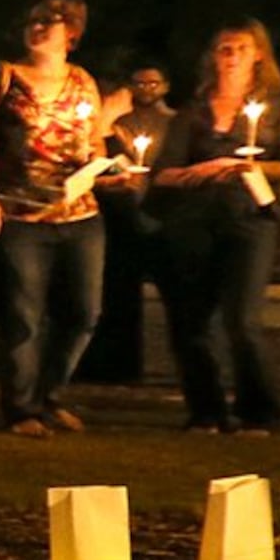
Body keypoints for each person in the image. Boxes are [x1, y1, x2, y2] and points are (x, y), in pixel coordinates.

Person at [0, 0, 119, 435]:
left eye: (51, 21)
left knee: (84, 314)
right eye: (34, 20)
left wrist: (106, 171)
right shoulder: (4, 76)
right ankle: (22, 409)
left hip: (79, 215)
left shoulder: (83, 81)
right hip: (21, 216)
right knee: (22, 317)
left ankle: (49, 395)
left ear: (72, 34)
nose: (39, 27)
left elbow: (94, 144)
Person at [147, 23, 280, 435]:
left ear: (258, 55)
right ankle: (206, 410)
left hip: (250, 220)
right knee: (192, 321)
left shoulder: (278, 108)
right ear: (212, 57)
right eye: (223, 48)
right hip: (194, 223)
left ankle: (258, 410)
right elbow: (164, 172)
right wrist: (199, 172)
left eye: (241, 48)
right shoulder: (192, 113)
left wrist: (245, 166)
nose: (231, 55)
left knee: (242, 320)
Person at [78, 63, 173, 383]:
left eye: (152, 83)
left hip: (136, 217)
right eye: (136, 84)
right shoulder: (104, 129)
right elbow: (102, 164)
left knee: (124, 292)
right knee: (107, 292)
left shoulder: (164, 122)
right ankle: (105, 364)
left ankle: (120, 365)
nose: (139, 91)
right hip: (110, 216)